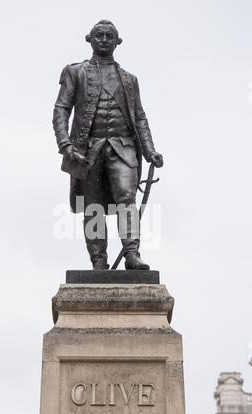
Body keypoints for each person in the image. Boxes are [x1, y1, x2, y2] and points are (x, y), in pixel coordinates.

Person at [53, 20, 163, 270]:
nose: (103, 39)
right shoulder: (75, 72)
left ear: (117, 42)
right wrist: (65, 145)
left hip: (123, 149)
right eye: (99, 35)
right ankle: (99, 262)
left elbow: (140, 117)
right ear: (89, 39)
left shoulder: (130, 79)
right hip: (87, 150)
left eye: (109, 36)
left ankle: (132, 254)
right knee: (92, 207)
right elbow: (61, 109)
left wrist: (149, 151)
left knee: (127, 199)